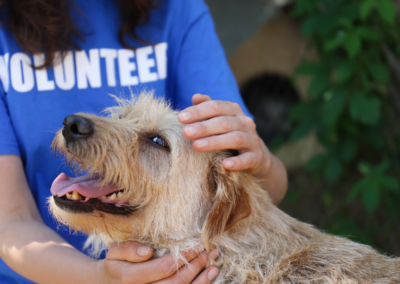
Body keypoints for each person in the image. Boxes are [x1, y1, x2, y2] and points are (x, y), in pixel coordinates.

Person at [0, 0, 288, 283]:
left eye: (156, 141)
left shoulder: (176, 8)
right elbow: (10, 218)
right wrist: (100, 278)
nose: (81, 124)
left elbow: (261, 195)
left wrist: (259, 159)